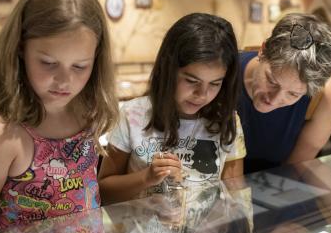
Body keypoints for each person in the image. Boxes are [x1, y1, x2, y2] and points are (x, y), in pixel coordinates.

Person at [0, 0, 119, 233]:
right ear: (20, 50)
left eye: (80, 66)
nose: (65, 81)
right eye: (48, 62)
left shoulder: (90, 112)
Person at [98, 13, 246, 203]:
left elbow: (236, 193)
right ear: (169, 70)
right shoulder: (133, 114)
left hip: (205, 231)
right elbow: (104, 192)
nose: (202, 94)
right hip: (139, 229)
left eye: (215, 84)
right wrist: (146, 178)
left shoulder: (227, 120)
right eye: (192, 81)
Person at [238, 13, 331, 173]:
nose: (274, 99)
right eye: (272, 81)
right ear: (263, 50)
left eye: (293, 94)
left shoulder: (326, 97)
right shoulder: (223, 73)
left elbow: (295, 167)